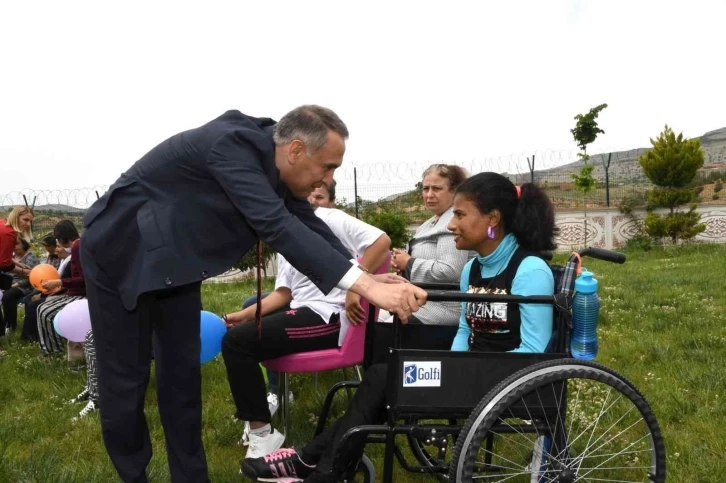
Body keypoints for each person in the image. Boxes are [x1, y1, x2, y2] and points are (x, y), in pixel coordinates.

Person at [79, 106, 426, 483]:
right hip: (120, 253)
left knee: (182, 381)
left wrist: (365, 276)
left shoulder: (275, 166)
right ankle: (134, 476)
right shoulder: (231, 148)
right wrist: (367, 287)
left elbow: (305, 224)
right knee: (126, 383)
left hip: (174, 266)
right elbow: (274, 225)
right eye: (327, 167)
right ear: (295, 150)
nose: (328, 178)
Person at [242, 172, 558, 483]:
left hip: (504, 380)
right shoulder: (473, 268)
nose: (451, 224)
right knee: (385, 376)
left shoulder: (529, 270)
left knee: (383, 377)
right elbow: (465, 330)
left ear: (493, 219)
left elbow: (532, 351)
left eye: (460, 214)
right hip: (470, 373)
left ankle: (313, 463)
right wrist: (455, 367)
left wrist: (464, 374)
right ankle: (316, 463)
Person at [223, 198, 390, 458]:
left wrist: (359, 285)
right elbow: (283, 294)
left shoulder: (329, 218)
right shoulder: (284, 234)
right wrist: (244, 315)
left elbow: (381, 241)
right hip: (304, 310)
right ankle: (262, 427)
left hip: (331, 317)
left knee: (239, 342)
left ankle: (262, 435)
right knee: (239, 338)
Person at [373, 164, 472, 363]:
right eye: (425, 188)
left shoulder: (451, 224)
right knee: (375, 314)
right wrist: (404, 264)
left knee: (381, 329)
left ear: (454, 191)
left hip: (445, 305)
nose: (429, 194)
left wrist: (409, 262)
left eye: (437, 188)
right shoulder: (431, 223)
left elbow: (451, 271)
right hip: (425, 299)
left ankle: (387, 380)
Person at [37, 220, 85, 356]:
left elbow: (83, 279)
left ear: (63, 238)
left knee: (46, 312)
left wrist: (58, 283)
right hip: (75, 292)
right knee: (42, 308)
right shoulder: (79, 245)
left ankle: (52, 352)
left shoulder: (77, 248)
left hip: (80, 294)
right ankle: (52, 348)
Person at [0, 206, 34, 348]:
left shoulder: (2, 223)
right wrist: (24, 272)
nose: (27, 224)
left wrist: (18, 264)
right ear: (16, 216)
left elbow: (3, 255)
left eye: (30, 221)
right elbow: (4, 263)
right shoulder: (9, 233)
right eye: (25, 219)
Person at [1, 237, 39, 334]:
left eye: (17, 243)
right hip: (9, 285)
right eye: (12, 244)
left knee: (8, 296)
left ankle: (10, 325)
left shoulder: (30, 257)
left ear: (23, 244)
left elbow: (31, 277)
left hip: (24, 287)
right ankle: (4, 324)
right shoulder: (11, 258)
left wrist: (11, 286)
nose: (14, 246)